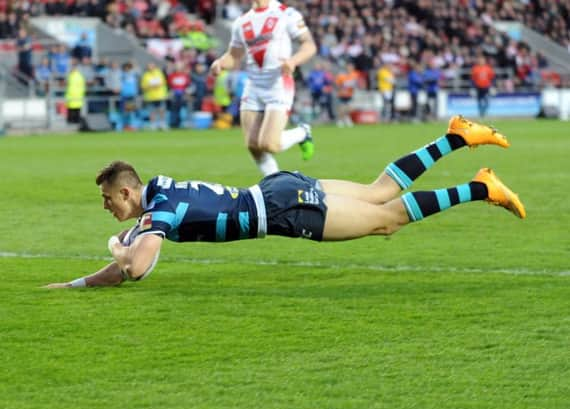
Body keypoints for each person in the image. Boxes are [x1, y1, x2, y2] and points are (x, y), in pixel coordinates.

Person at [44, 116, 525, 289]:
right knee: (380, 191)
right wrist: (74, 285)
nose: (108, 209)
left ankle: (482, 187)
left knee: (386, 220)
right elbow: (124, 266)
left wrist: (114, 245)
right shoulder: (157, 201)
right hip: (277, 188)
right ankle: (456, 138)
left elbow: (136, 269)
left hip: (281, 210)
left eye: (109, 201)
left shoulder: (159, 211)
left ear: (127, 191)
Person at [209, 0, 317, 176]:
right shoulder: (242, 22)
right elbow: (234, 56)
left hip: (278, 84)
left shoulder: (286, 14)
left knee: (269, 144)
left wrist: (293, 61)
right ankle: (276, 184)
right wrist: (220, 63)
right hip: (253, 85)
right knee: (253, 145)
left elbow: (309, 45)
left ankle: (302, 132)